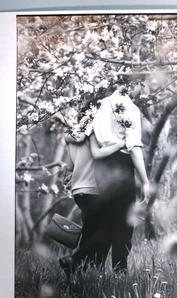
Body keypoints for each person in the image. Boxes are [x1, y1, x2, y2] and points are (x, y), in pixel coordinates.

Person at [92, 81, 150, 272]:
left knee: (106, 218)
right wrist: (145, 181)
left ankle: (93, 269)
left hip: (100, 165)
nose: (144, 90)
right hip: (121, 164)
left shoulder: (102, 104)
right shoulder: (131, 109)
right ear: (133, 84)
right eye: (143, 85)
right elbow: (133, 148)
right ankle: (119, 270)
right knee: (124, 222)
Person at [59, 131, 125, 273]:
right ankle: (75, 260)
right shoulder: (97, 133)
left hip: (78, 191)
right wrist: (121, 144)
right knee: (107, 230)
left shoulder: (71, 135)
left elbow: (70, 166)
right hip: (94, 189)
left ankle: (83, 273)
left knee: (91, 231)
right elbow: (102, 155)